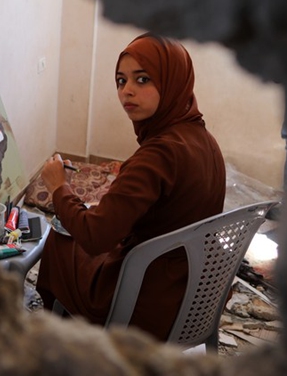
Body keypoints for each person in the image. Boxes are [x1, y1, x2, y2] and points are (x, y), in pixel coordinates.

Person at [35, 33, 226, 341]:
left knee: (61, 238)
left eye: (143, 79)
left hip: (148, 303)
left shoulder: (157, 155)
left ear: (173, 80)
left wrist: (59, 188)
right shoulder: (204, 140)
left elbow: (96, 237)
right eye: (121, 81)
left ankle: (59, 337)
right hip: (196, 291)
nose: (127, 92)